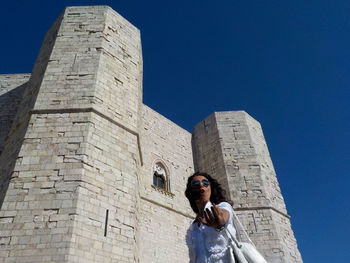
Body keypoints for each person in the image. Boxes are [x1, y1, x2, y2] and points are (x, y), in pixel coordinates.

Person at [185, 172, 236, 263]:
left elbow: (224, 216)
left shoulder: (222, 207)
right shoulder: (192, 227)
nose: (201, 185)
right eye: (196, 184)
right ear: (190, 191)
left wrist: (220, 222)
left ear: (210, 188)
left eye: (205, 183)